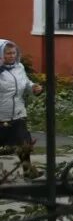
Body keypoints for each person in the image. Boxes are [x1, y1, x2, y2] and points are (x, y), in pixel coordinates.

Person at [0, 39, 43, 174]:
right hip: (1, 115)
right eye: (7, 53)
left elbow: (26, 83)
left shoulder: (20, 67)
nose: (11, 56)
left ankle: (29, 172)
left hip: (18, 113)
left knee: (24, 144)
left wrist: (33, 88)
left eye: (13, 53)